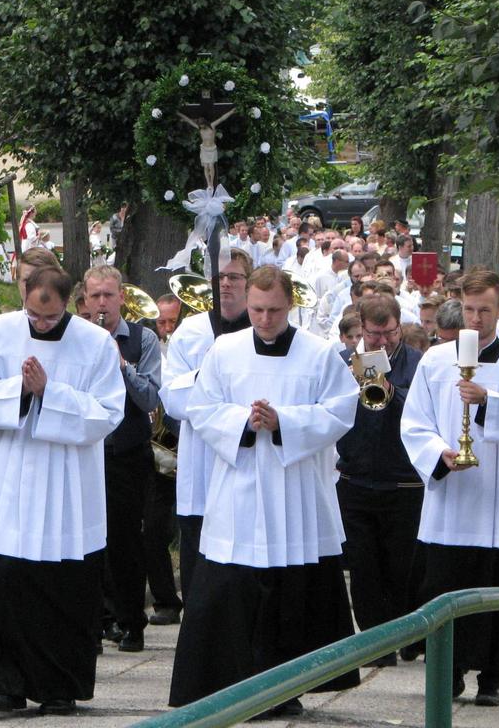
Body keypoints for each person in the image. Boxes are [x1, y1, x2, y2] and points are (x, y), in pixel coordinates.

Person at [169, 266, 361, 715]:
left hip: (294, 489)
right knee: (229, 588)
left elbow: (341, 410)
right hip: (239, 487)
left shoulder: (317, 354)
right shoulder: (224, 350)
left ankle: (284, 687)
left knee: (291, 592)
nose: (264, 319)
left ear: (289, 305)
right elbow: (202, 406)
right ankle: (229, 683)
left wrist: (284, 423)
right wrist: (242, 421)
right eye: (256, 309)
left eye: (274, 310)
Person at [0, 266, 125, 715]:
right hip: (10, 480)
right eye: (34, 314)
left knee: (61, 593)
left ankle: (58, 687)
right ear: (24, 296)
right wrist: (21, 393)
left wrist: (50, 393)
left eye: (50, 318)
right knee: (7, 586)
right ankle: (7, 685)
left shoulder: (95, 343)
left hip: (68, 486)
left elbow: (109, 413)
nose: (41, 324)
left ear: (69, 303)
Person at [401, 269, 499, 707]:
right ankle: (446, 675)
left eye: (485, 310)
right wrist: (437, 454)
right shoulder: (434, 360)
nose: (476, 318)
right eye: (469, 309)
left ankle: (491, 677)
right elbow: (414, 422)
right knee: (445, 585)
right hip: (451, 498)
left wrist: (488, 401)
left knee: (495, 589)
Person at [158, 249, 253, 602]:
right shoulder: (191, 333)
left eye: (235, 277)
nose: (226, 283)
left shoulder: (262, 329)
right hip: (201, 465)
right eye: (220, 277)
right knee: (200, 571)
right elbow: (173, 397)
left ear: (249, 283)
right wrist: (211, 374)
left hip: (248, 461)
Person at [336, 296, 424, 667]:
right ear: (362, 331)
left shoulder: (419, 364)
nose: (383, 342)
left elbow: (425, 412)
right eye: (374, 335)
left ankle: (406, 634)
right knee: (363, 566)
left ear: (399, 327)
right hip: (356, 478)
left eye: (389, 334)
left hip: (403, 481)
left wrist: (393, 394)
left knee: (401, 566)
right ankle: (375, 642)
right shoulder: (343, 364)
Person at [83, 265, 162, 653]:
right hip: (86, 452)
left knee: (126, 541)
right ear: (84, 299)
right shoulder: (77, 339)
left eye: (108, 295)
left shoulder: (143, 339)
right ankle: (96, 620)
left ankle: (132, 622)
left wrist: (121, 364)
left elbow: (150, 399)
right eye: (95, 296)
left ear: (121, 299)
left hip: (126, 454)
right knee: (86, 540)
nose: (101, 303)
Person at [143, 293, 184, 626]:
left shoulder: (192, 346)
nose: (167, 329)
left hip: (193, 447)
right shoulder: (150, 350)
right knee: (155, 530)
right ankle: (165, 602)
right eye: (161, 322)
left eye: (173, 321)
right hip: (161, 453)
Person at [176, 107, 238, 190]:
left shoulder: (212, 126)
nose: (202, 127)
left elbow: (222, 118)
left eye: (203, 126)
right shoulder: (199, 128)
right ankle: (208, 184)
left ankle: (211, 183)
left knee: (211, 166)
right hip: (204, 149)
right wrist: (179, 114)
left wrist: (231, 112)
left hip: (211, 149)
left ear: (205, 123)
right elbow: (189, 120)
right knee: (206, 167)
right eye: (200, 126)